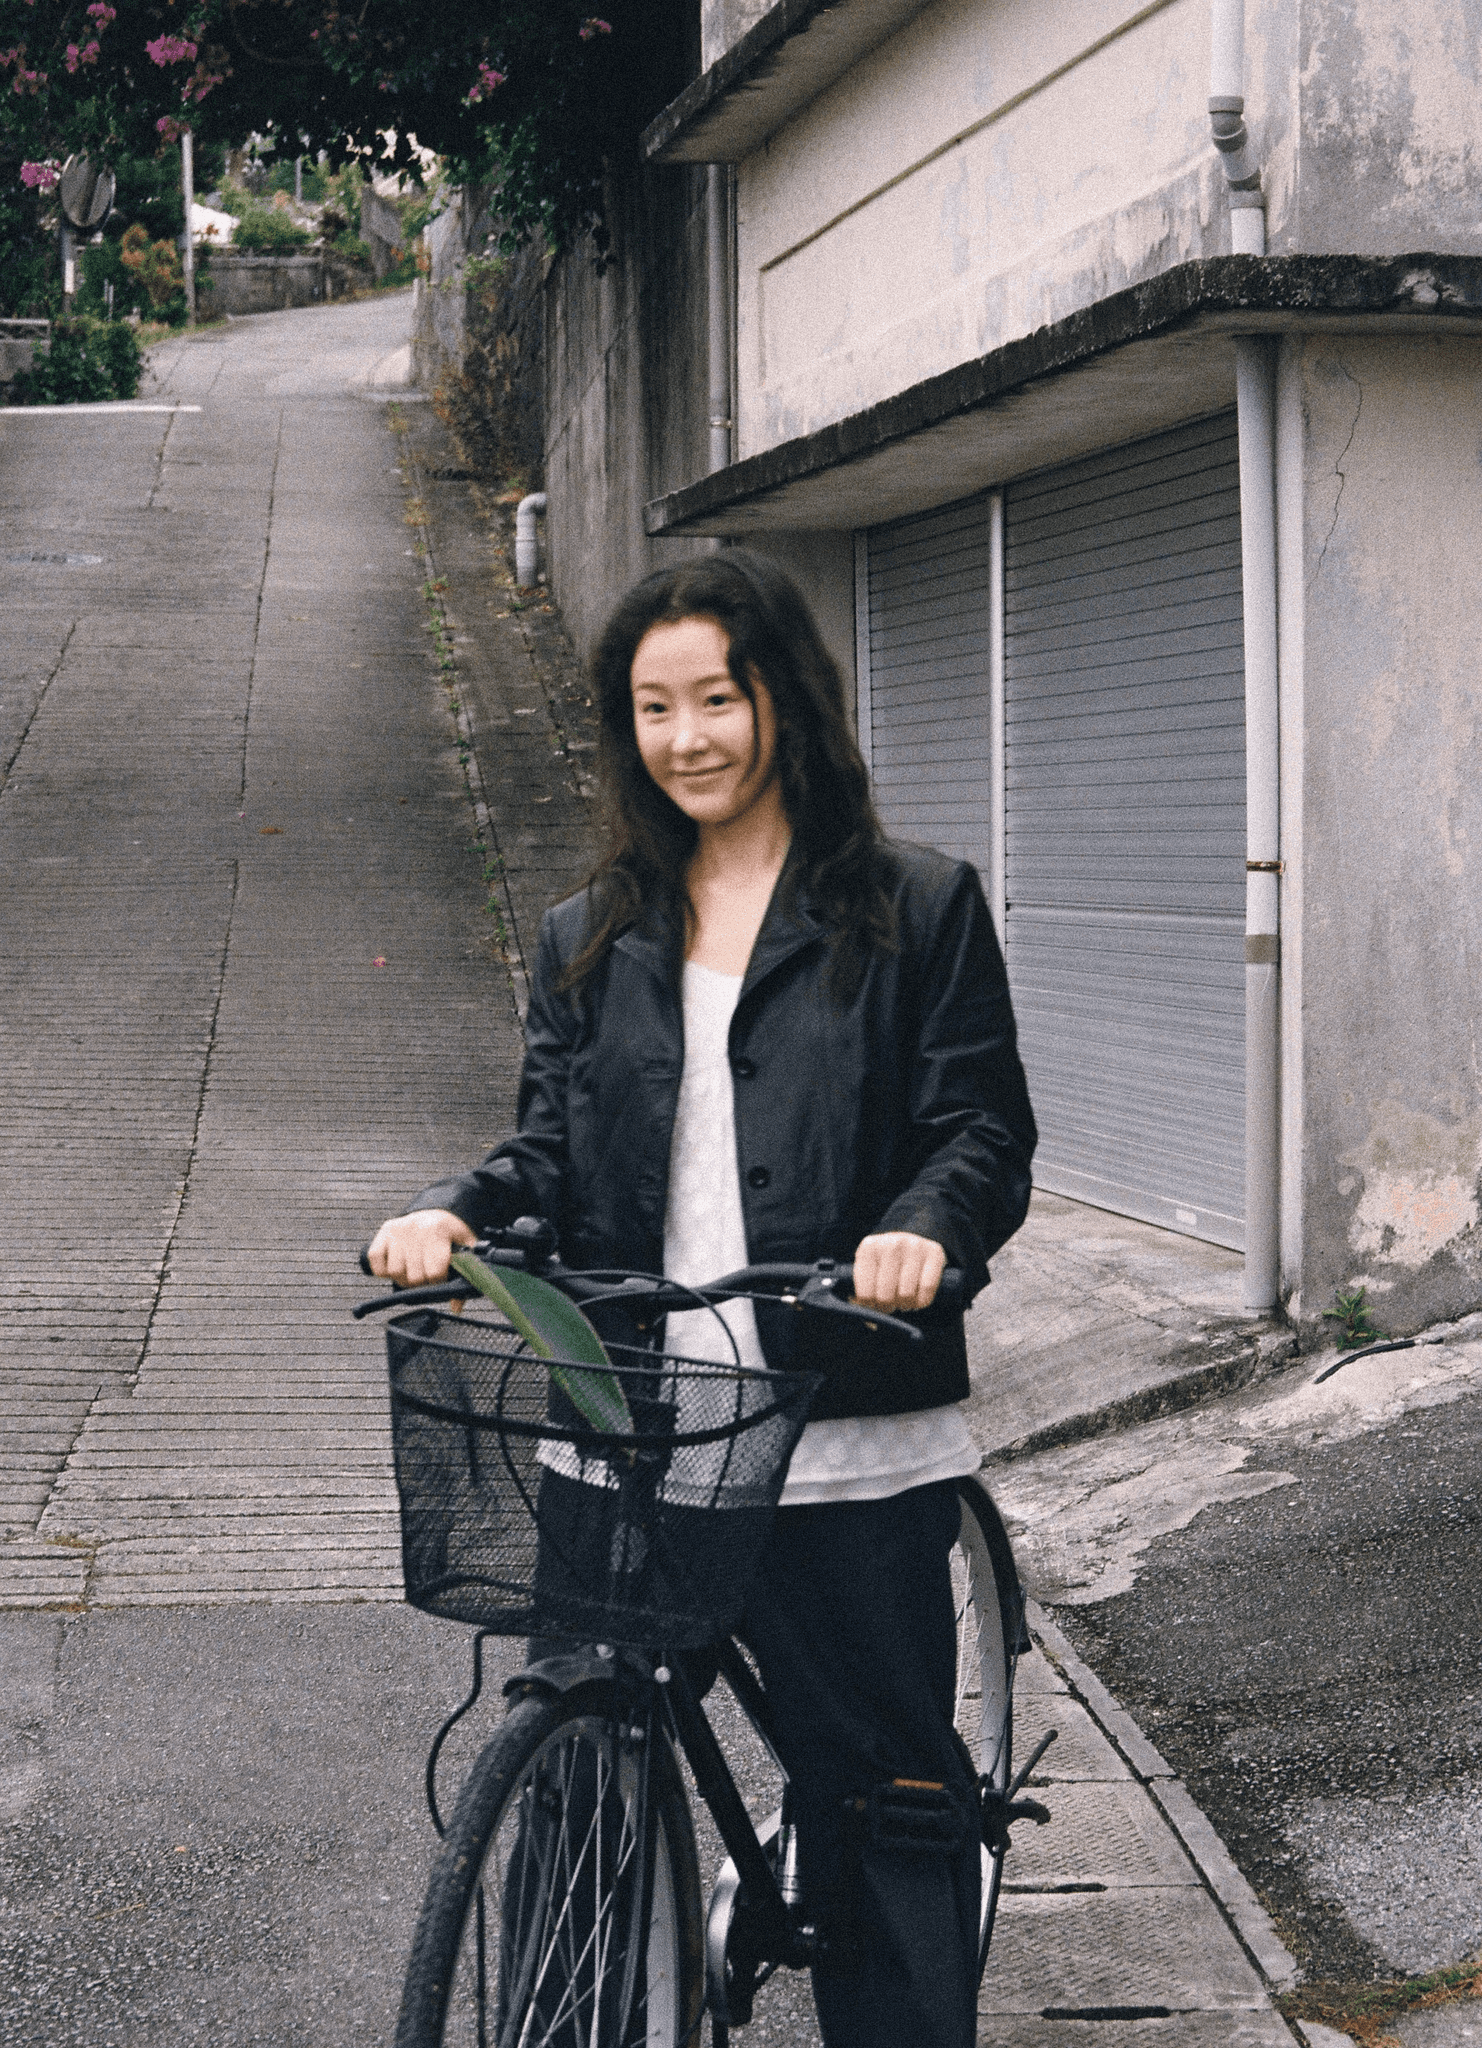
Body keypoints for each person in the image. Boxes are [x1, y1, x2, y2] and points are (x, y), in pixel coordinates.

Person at [369, 548, 1036, 2048]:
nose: (687, 738)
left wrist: (920, 1230)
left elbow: (978, 1128)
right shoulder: (587, 931)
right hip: (628, 1418)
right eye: (654, 707)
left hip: (837, 1414)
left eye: (717, 699)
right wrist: (456, 1212)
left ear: (781, 699)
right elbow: (545, 1149)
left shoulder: (916, 906)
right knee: (578, 1776)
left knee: (880, 1791)